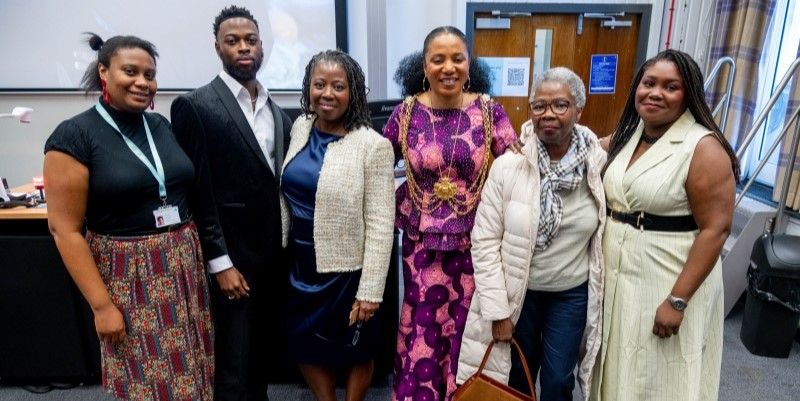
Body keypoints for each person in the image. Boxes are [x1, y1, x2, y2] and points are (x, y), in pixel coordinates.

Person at [43, 33, 213, 401]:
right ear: (103, 72)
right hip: (129, 273)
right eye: (130, 72)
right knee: (149, 379)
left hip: (182, 261)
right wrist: (102, 307)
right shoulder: (74, 136)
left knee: (192, 368)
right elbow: (64, 230)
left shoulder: (159, 126)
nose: (142, 82)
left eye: (149, 75)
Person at [591, 49, 739, 401]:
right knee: (619, 367)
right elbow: (584, 150)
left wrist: (677, 301)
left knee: (661, 377)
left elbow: (716, 229)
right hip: (621, 277)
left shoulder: (702, 147)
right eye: (649, 83)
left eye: (670, 87)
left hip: (667, 277)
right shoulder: (631, 135)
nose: (655, 93)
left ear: (688, 94)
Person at [384, 26, 520, 401]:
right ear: (424, 66)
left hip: (475, 245)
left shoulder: (490, 113)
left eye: (457, 58)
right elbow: (376, 164)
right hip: (420, 245)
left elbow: (516, 168)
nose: (448, 67)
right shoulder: (406, 113)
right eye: (438, 59)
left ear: (469, 64)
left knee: (467, 331)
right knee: (422, 331)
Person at [457, 67, 606, 401]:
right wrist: (498, 312)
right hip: (518, 294)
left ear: (578, 111)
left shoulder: (597, 166)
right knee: (516, 380)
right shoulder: (509, 165)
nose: (548, 114)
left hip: (570, 294)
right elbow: (483, 240)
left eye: (560, 105)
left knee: (557, 382)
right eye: (539, 106)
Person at [170, 6, 292, 401]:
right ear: (217, 47)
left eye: (250, 40)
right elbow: (197, 192)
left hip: (272, 257)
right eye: (233, 41)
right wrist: (219, 262)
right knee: (233, 364)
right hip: (233, 262)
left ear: (261, 46)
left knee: (260, 358)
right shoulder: (196, 105)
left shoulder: (275, 108)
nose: (243, 47)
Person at [279, 49, 395, 401]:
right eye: (319, 84)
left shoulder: (372, 146)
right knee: (304, 345)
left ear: (353, 91)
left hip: (346, 270)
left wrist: (371, 289)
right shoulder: (301, 127)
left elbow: (380, 221)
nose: (327, 93)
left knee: (356, 348)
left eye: (338, 86)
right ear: (308, 87)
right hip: (300, 264)